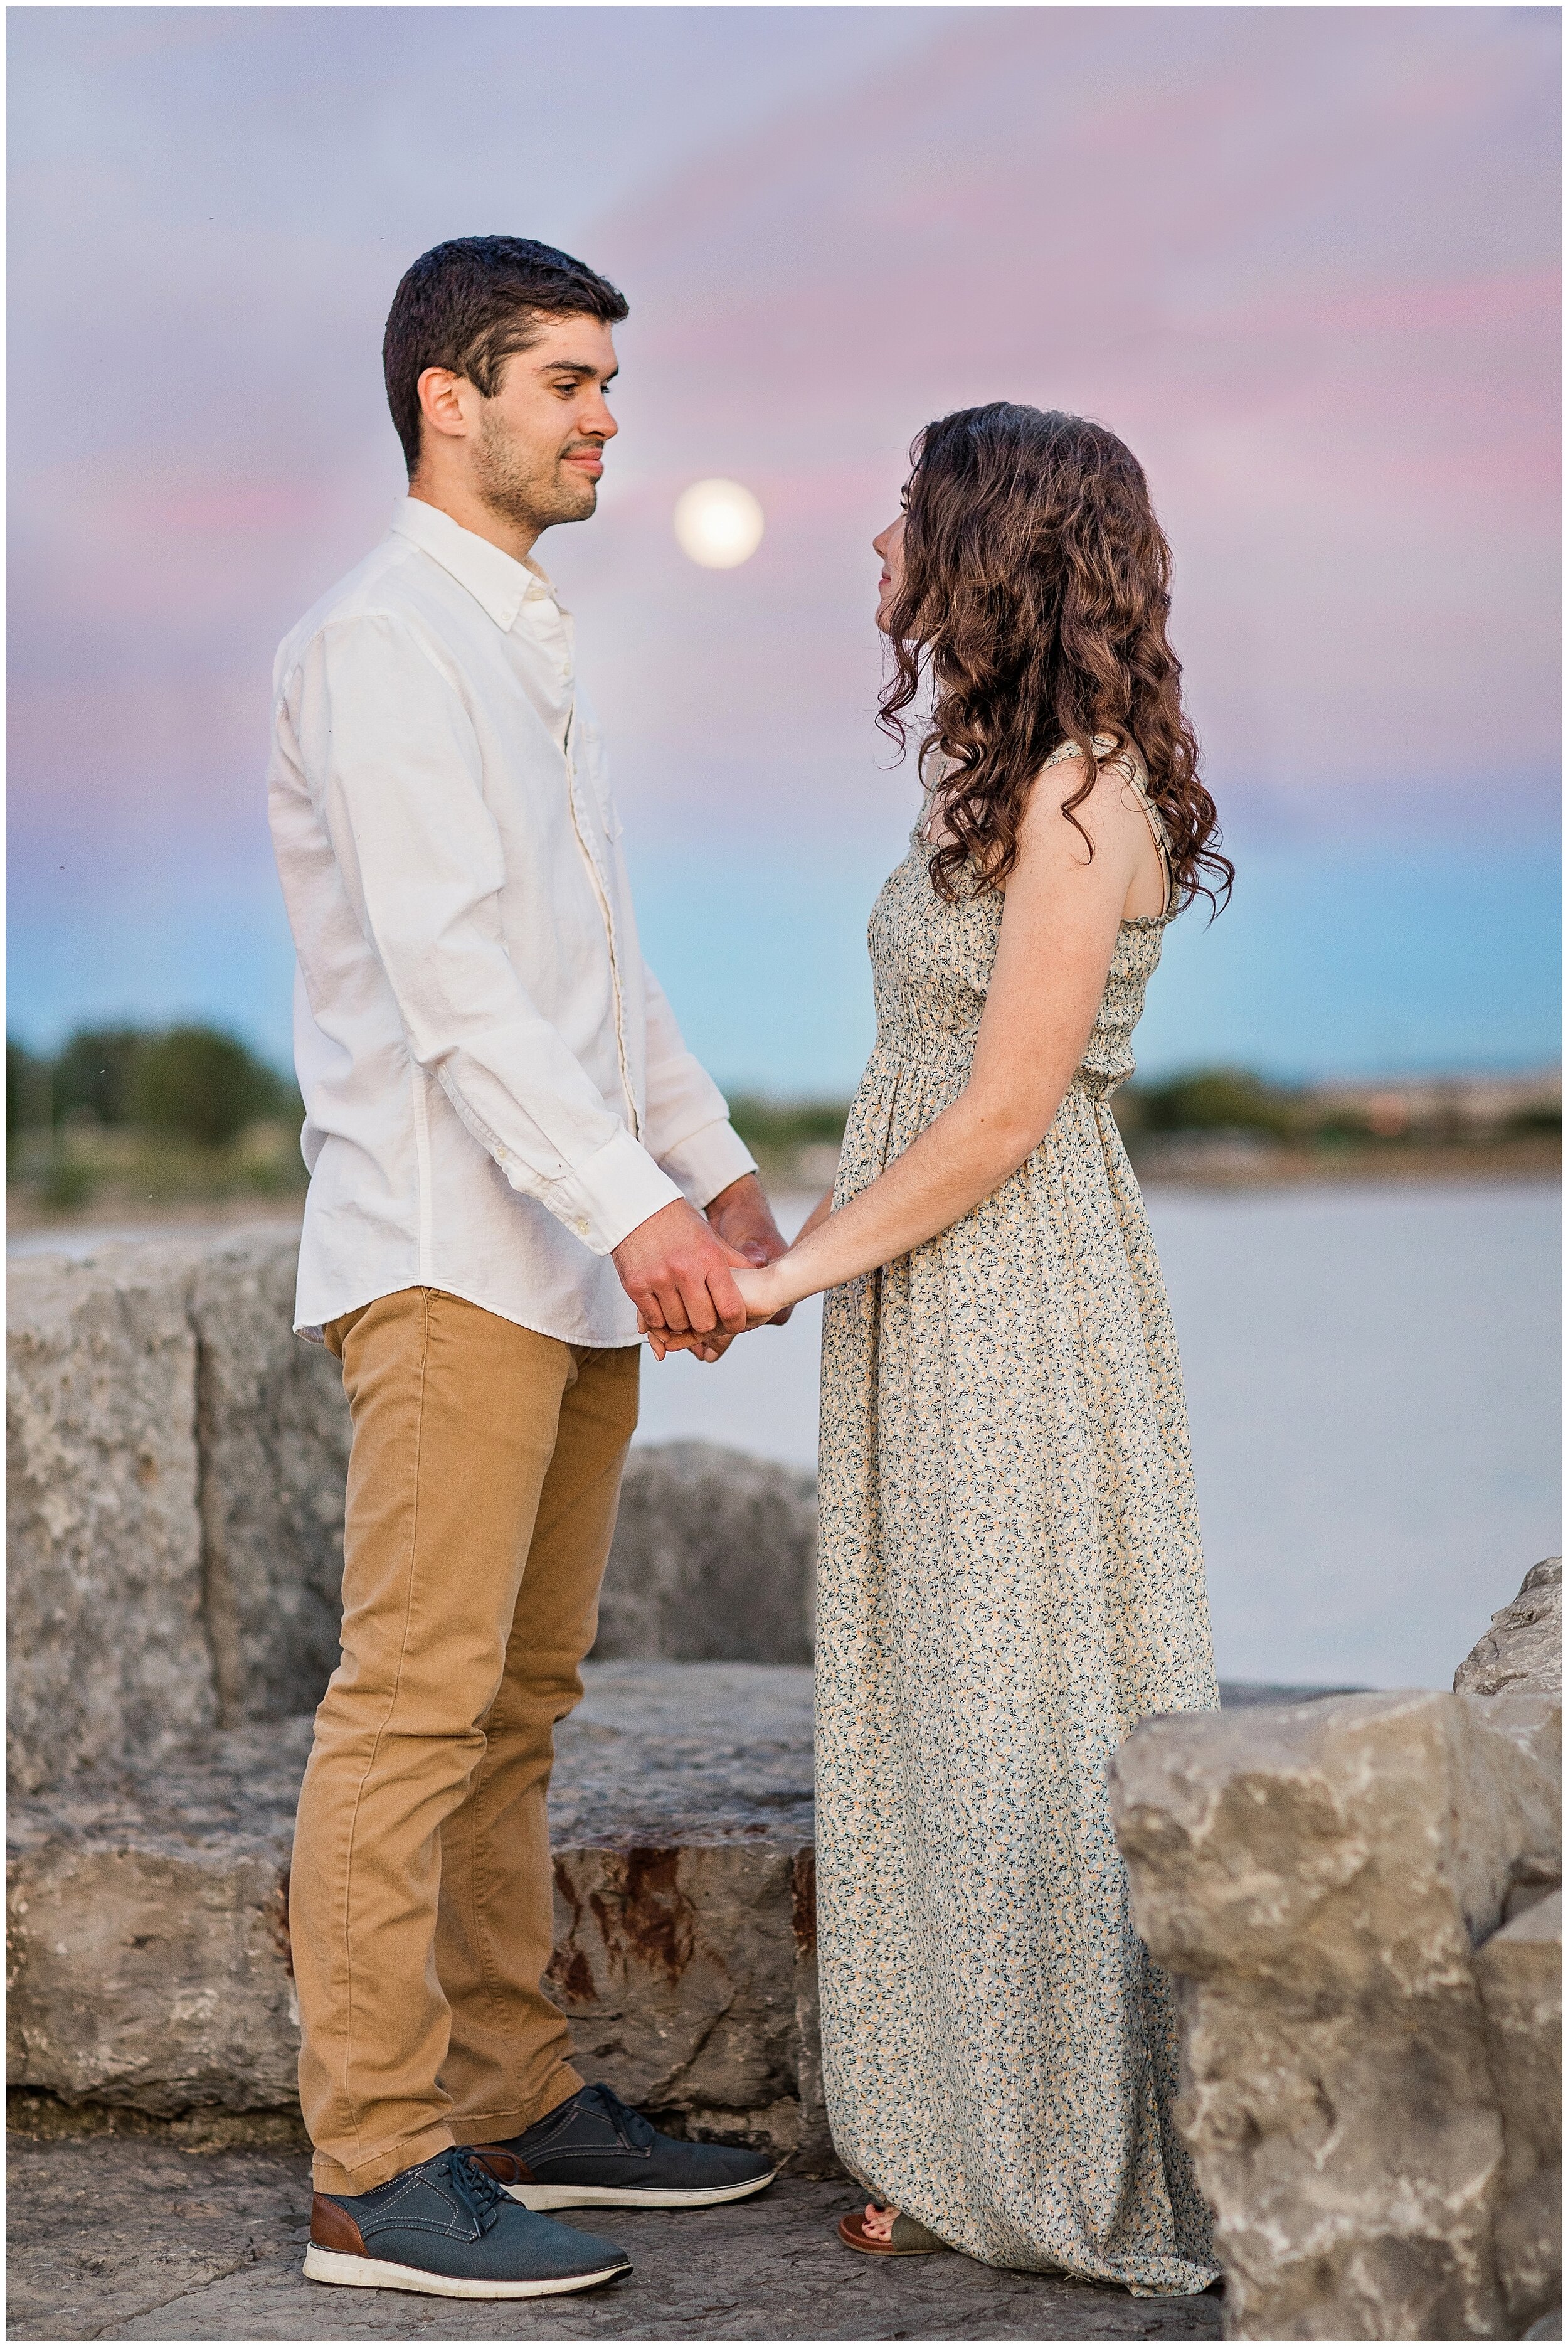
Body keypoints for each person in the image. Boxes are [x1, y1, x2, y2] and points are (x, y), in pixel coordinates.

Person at [647, 404, 1231, 2292]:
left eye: (905, 513)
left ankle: (1041, 2149)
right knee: (929, 1696)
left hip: (1006, 1286)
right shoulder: (992, 781)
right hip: (929, 1285)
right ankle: (956, 2123)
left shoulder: (1080, 792)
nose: (875, 543)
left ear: (985, 545)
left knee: (1015, 1713)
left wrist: (785, 1277)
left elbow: (995, 1120)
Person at [267, 235, 788, 2303]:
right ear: (444, 398)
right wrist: (635, 1210)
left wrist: (714, 1174)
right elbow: (459, 990)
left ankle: (504, 2088)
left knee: (520, 1703)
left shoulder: (525, 638)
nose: (602, 420)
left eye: (606, 386)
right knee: (409, 1709)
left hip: (567, 1254)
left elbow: (597, 961)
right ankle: (371, 2168)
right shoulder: (385, 642)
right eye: (564, 382)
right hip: (447, 1253)